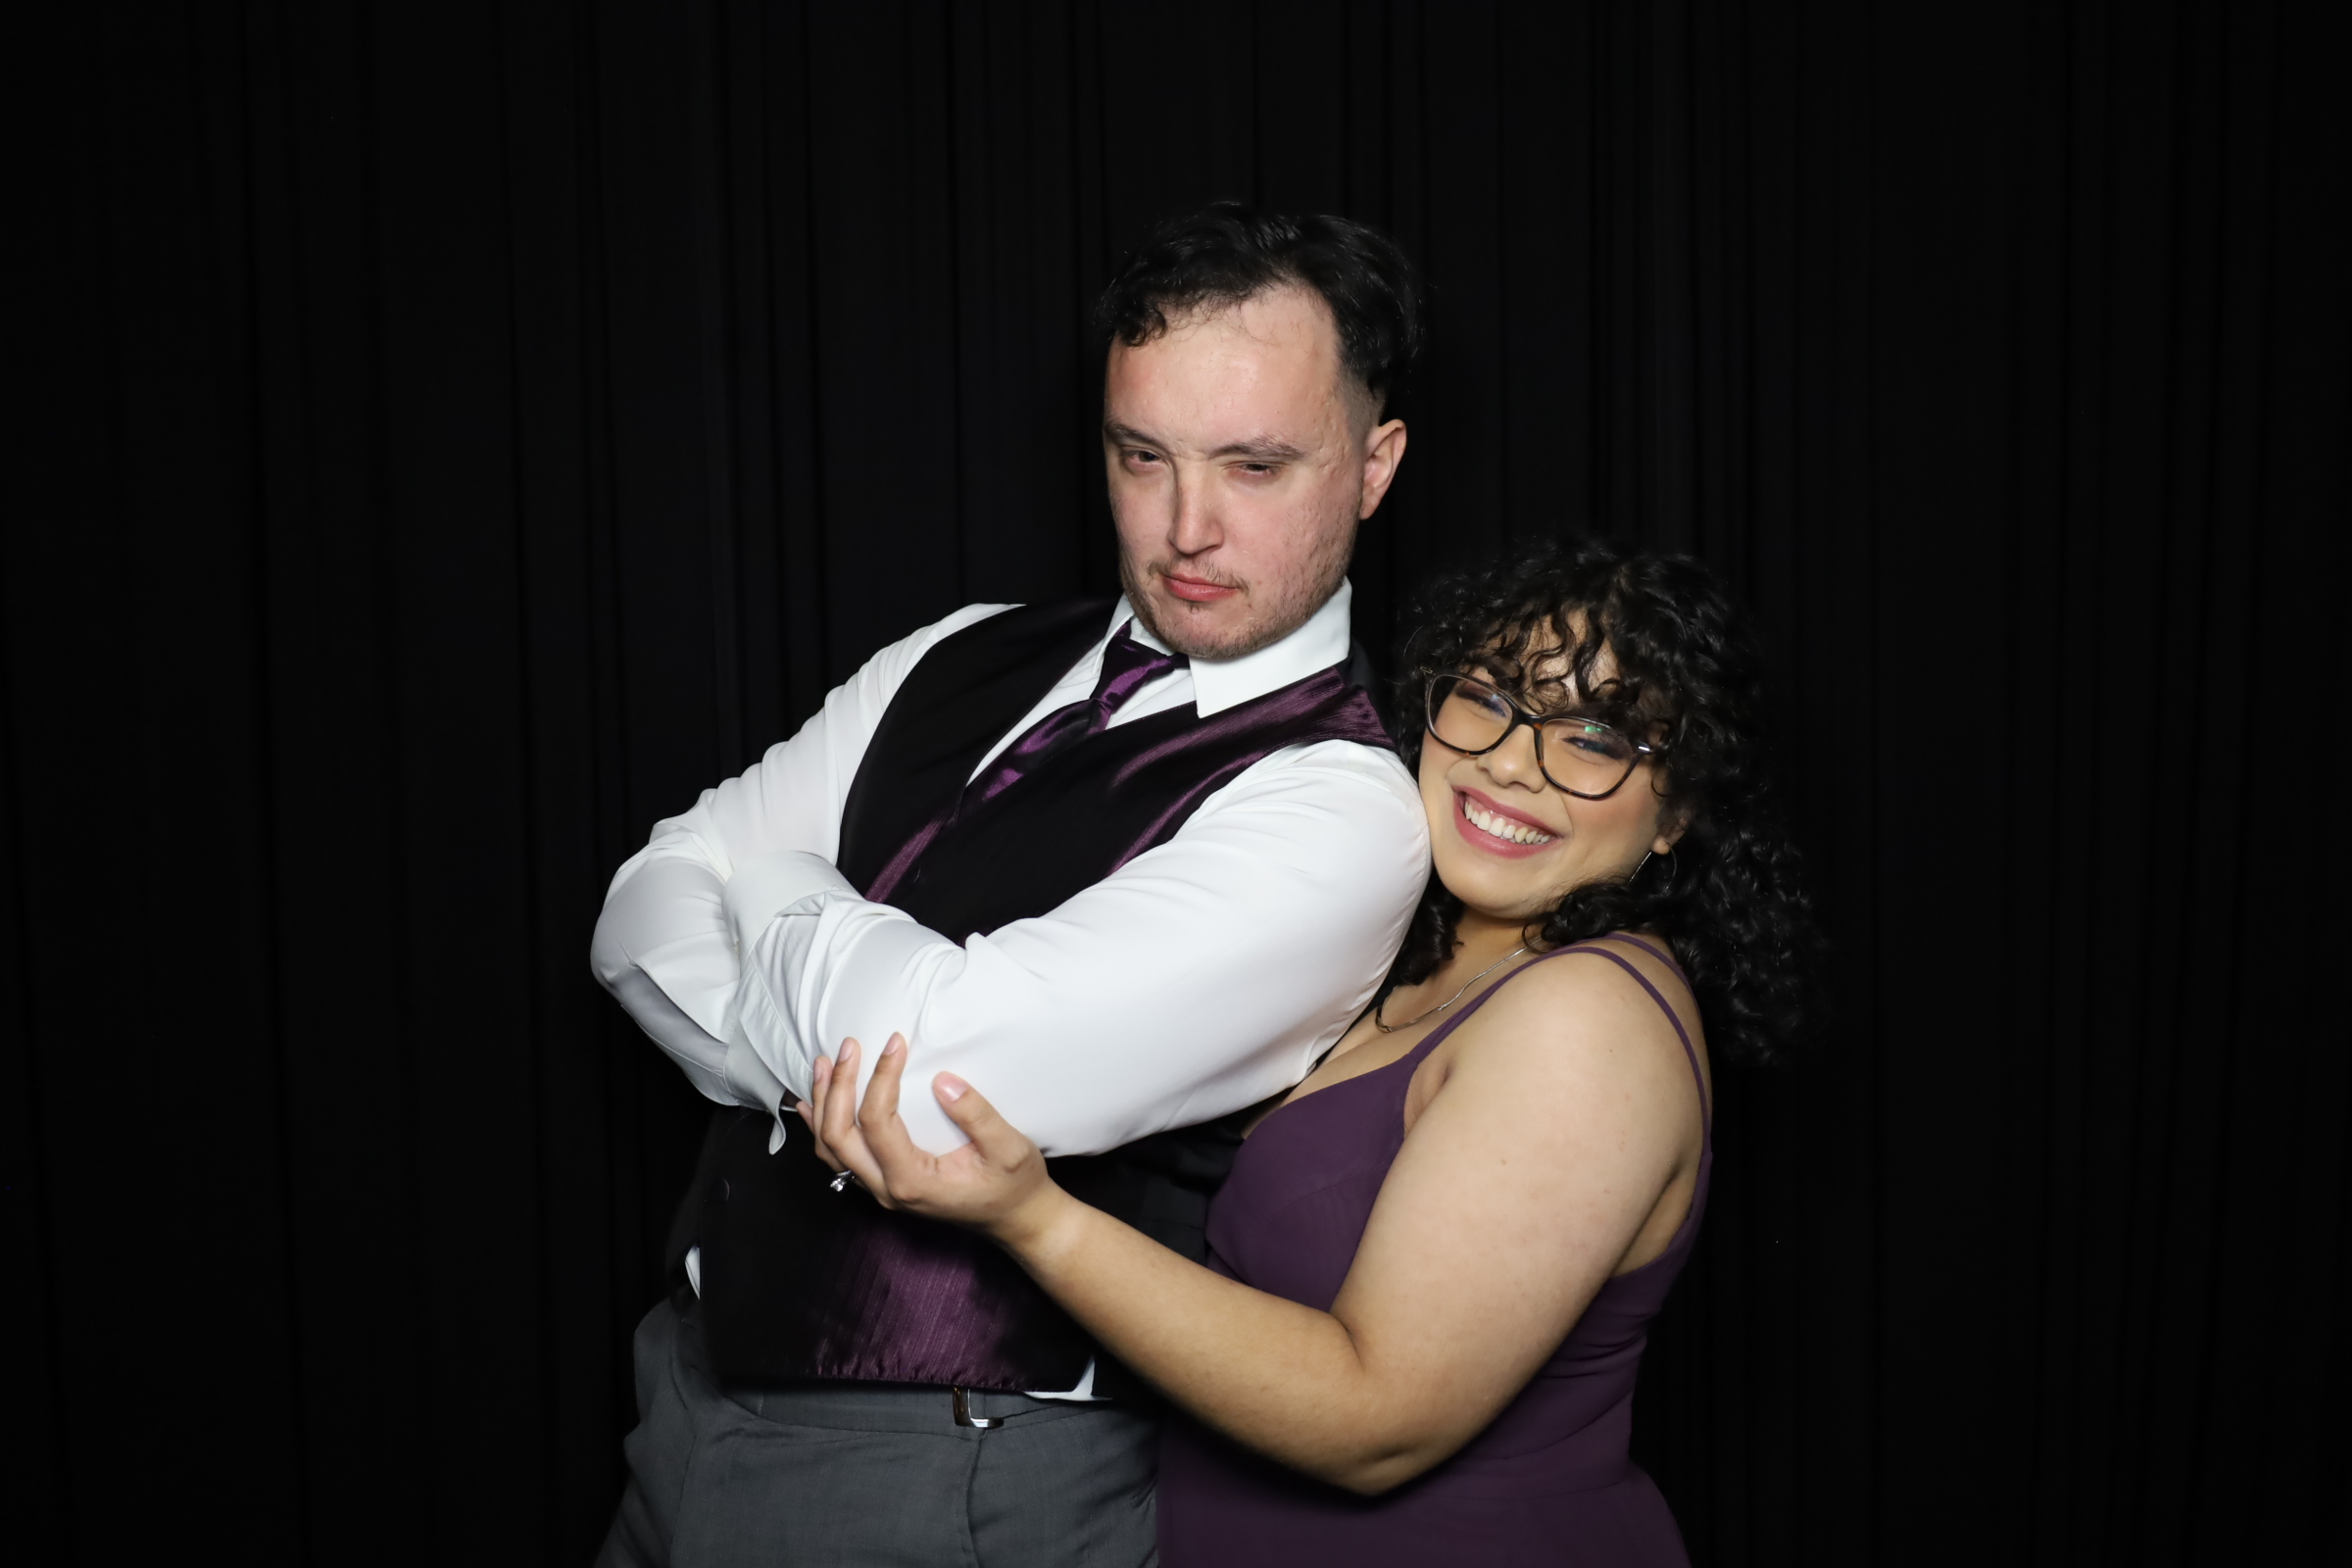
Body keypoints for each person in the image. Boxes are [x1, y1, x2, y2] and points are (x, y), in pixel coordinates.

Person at [590, 204, 1432, 1567]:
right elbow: (640, 908)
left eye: (1255, 466)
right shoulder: (961, 650)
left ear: (1374, 465)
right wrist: (823, 1056)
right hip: (677, 1398)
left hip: (951, 1469)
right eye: (1142, 456)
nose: (1189, 527)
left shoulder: (1342, 805)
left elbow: (937, 1082)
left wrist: (781, 882)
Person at [809, 539, 1820, 1566]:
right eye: (1489, 698)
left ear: (1677, 809)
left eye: (1592, 737)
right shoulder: (1412, 958)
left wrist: (1033, 1220)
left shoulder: (1587, 1021)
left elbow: (1377, 1422)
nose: (1513, 762)